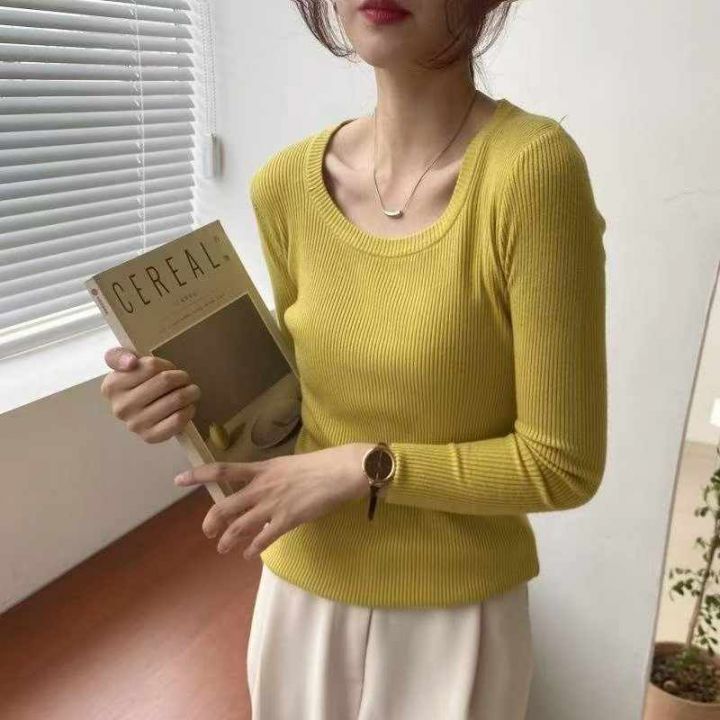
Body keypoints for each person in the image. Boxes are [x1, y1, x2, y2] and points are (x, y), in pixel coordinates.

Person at [100, 0, 608, 717]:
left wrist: (363, 467)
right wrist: (175, 400)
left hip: (454, 625)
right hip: (297, 602)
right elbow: (297, 405)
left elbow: (562, 466)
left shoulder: (532, 172)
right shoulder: (285, 186)